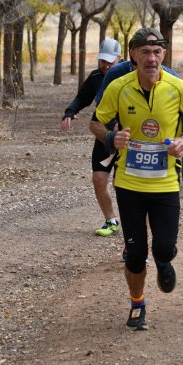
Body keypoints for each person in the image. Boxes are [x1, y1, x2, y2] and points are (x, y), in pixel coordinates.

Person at [89, 28, 183, 331]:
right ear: (133, 55)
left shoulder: (178, 87)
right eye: (145, 52)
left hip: (165, 184)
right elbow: (95, 123)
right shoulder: (118, 86)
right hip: (129, 184)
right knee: (136, 254)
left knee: (163, 248)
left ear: (164, 54)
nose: (151, 59)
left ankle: (164, 263)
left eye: (157, 52)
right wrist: (112, 136)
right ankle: (137, 303)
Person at [60, 38, 123, 237]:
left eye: (110, 61)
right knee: (98, 178)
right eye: (103, 61)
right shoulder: (96, 76)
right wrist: (70, 111)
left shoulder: (131, 75)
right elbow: (83, 97)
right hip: (104, 135)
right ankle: (110, 220)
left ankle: (133, 221)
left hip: (128, 137)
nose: (106, 65)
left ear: (120, 58)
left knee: (123, 184)